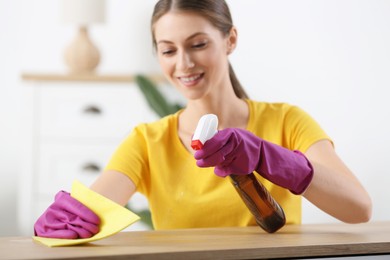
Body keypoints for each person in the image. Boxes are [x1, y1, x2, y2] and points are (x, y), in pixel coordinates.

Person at [34, 0, 372, 238]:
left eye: (197, 44)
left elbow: (359, 208)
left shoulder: (288, 121)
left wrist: (269, 156)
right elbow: (96, 208)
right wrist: (69, 221)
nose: (183, 64)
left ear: (230, 40)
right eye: (168, 50)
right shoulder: (148, 141)